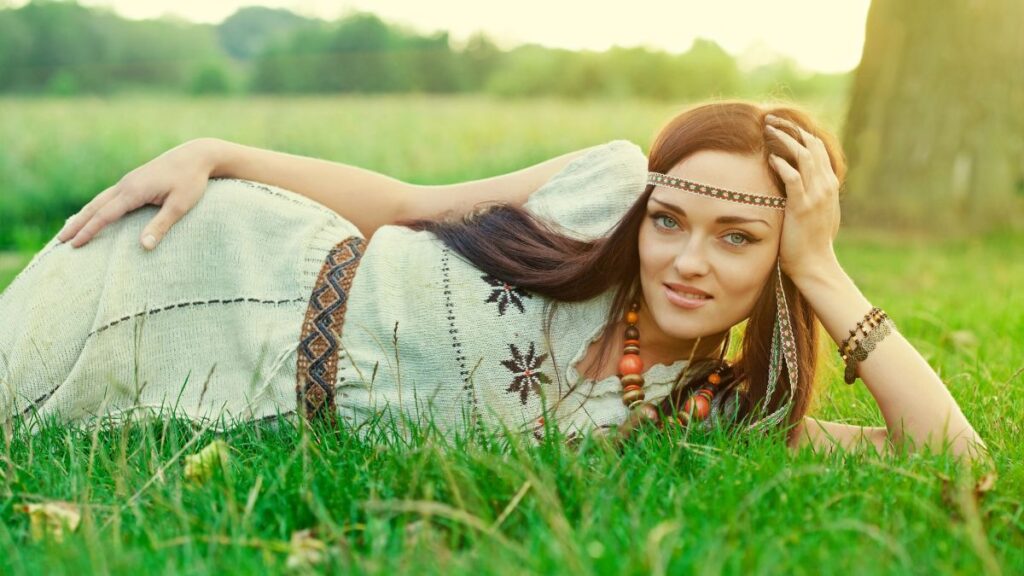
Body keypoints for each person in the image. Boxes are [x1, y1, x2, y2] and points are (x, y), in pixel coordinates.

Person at [0, 100, 985, 461]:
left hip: (230, 386)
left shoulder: (702, 408)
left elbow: (950, 455)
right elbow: (400, 202)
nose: (688, 260)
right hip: (202, 249)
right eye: (672, 221)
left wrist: (820, 266)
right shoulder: (601, 188)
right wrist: (212, 150)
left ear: (780, 263)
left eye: (738, 239)